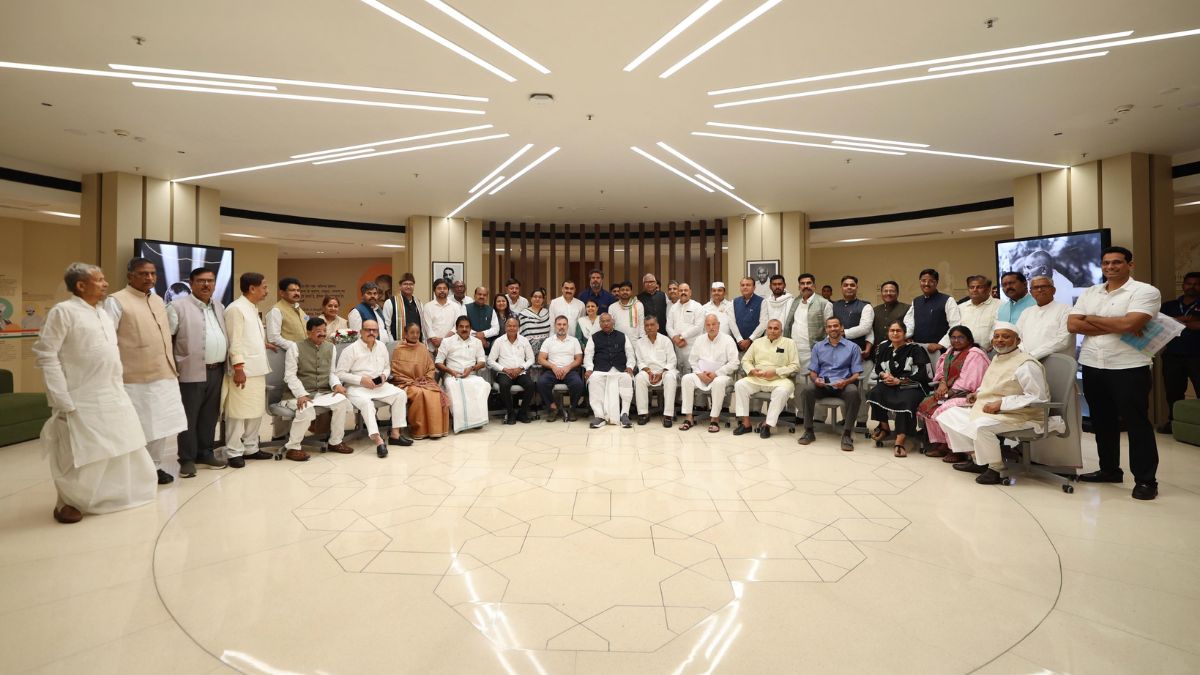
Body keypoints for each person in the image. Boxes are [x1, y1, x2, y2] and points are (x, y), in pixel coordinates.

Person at [34, 263, 157, 524]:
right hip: (80, 395)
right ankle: (67, 502)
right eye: (99, 280)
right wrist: (61, 398)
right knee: (82, 452)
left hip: (112, 393)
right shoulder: (63, 312)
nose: (105, 284)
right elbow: (47, 355)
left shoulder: (102, 313)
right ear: (81, 285)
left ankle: (112, 497)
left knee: (123, 445)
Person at [1069, 246, 1162, 500]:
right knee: (1102, 422)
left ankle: (1146, 480)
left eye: (1117, 262)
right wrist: (1118, 324)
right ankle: (1109, 470)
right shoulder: (1091, 292)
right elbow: (1073, 324)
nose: (1110, 267)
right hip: (1092, 364)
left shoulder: (1145, 291)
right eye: (1106, 263)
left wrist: (1092, 318)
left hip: (1128, 366)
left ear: (1130, 265)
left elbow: (1131, 323)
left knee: (1137, 424)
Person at [105, 257, 188, 484]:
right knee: (137, 426)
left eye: (152, 273)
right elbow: (107, 341)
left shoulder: (158, 300)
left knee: (161, 426)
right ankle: (135, 470)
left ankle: (155, 466)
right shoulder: (116, 301)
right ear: (130, 276)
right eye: (143, 274)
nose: (149, 278)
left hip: (164, 374)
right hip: (134, 378)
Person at [940, 324, 1056, 485]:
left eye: (1006, 336)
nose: (1000, 340)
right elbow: (993, 384)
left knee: (981, 426)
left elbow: (1037, 397)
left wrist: (1001, 404)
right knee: (948, 415)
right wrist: (978, 393)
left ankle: (996, 469)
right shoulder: (998, 357)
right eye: (996, 336)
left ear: (1018, 340)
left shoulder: (1026, 364)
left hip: (1023, 415)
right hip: (994, 410)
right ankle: (978, 459)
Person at [166, 267, 229, 477]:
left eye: (210, 281)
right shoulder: (177, 307)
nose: (206, 285)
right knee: (189, 417)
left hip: (216, 370)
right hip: (190, 371)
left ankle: (205, 452)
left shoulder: (219, 306)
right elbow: (167, 340)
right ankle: (186, 459)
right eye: (201, 281)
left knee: (209, 417)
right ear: (191, 284)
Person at [279, 317, 353, 461]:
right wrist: (301, 394)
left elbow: (331, 373)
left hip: (322, 392)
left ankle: (335, 442)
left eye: (324, 330)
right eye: (318, 331)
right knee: (306, 408)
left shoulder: (331, 347)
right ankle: (293, 448)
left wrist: (336, 385)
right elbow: (290, 375)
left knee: (341, 401)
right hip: (297, 394)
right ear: (308, 332)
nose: (323, 334)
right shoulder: (295, 347)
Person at [337, 319, 412, 457]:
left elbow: (387, 367)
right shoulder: (351, 349)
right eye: (368, 330)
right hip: (357, 387)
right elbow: (340, 373)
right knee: (367, 404)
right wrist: (361, 380)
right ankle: (378, 441)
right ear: (361, 332)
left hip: (379, 386)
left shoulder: (381, 346)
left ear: (378, 332)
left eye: (374, 330)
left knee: (400, 394)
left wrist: (384, 376)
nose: (371, 332)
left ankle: (395, 435)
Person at [918, 325, 991, 461]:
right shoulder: (950, 352)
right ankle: (943, 444)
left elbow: (970, 381)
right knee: (927, 404)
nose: (956, 341)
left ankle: (956, 450)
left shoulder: (975, 354)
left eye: (960, 337)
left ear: (969, 339)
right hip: (949, 391)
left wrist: (949, 392)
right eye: (953, 337)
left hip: (970, 395)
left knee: (944, 408)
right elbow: (941, 373)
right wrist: (942, 384)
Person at [222, 273, 273, 468]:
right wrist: (238, 368)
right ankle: (234, 451)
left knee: (255, 411)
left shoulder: (252, 307)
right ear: (252, 288)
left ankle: (251, 447)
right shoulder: (236, 309)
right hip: (243, 371)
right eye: (264, 287)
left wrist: (263, 344)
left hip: (258, 369)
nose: (267, 291)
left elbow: (248, 337)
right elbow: (234, 341)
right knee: (237, 413)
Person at [867, 320, 932, 457]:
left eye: (898, 331)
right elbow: (878, 368)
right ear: (888, 333)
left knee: (904, 401)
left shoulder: (916, 349)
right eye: (892, 330)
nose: (895, 333)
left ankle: (900, 439)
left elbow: (924, 373)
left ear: (905, 333)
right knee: (874, 393)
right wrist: (885, 375)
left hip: (912, 385)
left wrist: (900, 380)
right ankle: (884, 428)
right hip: (891, 383)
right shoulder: (884, 349)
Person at [797, 317, 863, 451]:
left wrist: (846, 381)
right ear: (826, 329)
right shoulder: (818, 347)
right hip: (824, 385)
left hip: (844, 384)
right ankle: (809, 430)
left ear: (841, 328)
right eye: (830, 326)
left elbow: (856, 373)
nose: (833, 328)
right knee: (807, 390)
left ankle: (847, 434)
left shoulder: (853, 347)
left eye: (836, 326)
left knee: (854, 392)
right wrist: (816, 380)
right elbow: (813, 372)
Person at [733, 319, 799, 438]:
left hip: (779, 380)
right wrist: (752, 370)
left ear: (781, 331)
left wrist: (776, 372)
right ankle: (746, 423)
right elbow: (746, 360)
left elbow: (795, 366)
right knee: (739, 385)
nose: (772, 331)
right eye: (770, 328)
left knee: (782, 391)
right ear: (766, 329)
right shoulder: (757, 342)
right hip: (757, 378)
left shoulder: (789, 343)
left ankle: (767, 425)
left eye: (776, 328)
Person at [679, 313, 739, 433]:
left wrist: (717, 373)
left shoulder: (728, 340)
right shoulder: (700, 340)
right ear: (705, 326)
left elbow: (735, 362)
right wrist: (699, 374)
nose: (711, 327)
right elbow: (692, 360)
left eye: (713, 324)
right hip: (702, 375)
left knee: (718, 382)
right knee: (686, 378)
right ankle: (688, 418)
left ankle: (715, 419)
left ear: (719, 325)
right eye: (708, 325)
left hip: (722, 376)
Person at [390, 322, 449, 440]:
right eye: (412, 332)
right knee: (418, 393)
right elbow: (396, 372)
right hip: (405, 383)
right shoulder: (399, 349)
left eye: (417, 333)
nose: (415, 335)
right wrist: (413, 382)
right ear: (406, 334)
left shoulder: (422, 348)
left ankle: (435, 430)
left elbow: (431, 368)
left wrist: (425, 378)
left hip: (424, 382)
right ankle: (419, 430)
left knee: (436, 393)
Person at [1160, 271, 1200, 434]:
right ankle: (1174, 423)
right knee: (1173, 392)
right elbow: (1160, 325)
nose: (1192, 287)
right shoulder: (1169, 306)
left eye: (1197, 284)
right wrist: (1185, 321)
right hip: (1173, 355)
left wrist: (1176, 322)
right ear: (1183, 286)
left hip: (1197, 355)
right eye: (1189, 283)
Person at [436, 316, 491, 433]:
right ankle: (459, 422)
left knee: (484, 385)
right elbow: (438, 362)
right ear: (456, 328)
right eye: (461, 326)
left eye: (467, 327)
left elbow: (482, 362)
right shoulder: (447, 341)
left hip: (471, 374)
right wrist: (451, 371)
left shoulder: (477, 342)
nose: (464, 329)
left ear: (471, 328)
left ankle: (476, 420)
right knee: (453, 387)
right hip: (452, 375)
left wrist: (471, 368)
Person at [584, 313, 636, 428]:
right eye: (603, 321)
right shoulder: (594, 337)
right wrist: (589, 369)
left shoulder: (622, 336)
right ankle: (599, 416)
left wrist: (630, 367)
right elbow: (588, 355)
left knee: (627, 378)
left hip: (620, 369)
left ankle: (624, 414)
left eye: (608, 321)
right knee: (593, 379)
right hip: (601, 369)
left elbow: (630, 354)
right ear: (600, 324)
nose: (606, 323)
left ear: (613, 322)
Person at [488, 316, 536, 424]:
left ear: (518, 328)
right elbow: (490, 360)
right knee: (504, 385)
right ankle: (511, 413)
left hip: (520, 372)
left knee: (530, 385)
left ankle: (522, 413)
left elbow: (531, 359)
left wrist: (521, 368)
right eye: (509, 326)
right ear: (505, 327)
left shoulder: (524, 340)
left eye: (514, 326)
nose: (512, 328)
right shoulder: (499, 341)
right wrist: (504, 369)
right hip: (504, 373)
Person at [783, 273, 833, 373]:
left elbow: (830, 330)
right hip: (795, 349)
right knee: (795, 378)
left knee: (812, 379)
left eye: (808, 283)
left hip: (813, 350)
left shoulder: (824, 303)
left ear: (814, 286)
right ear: (799, 287)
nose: (805, 286)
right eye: (802, 283)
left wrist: (825, 350)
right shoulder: (795, 301)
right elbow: (789, 324)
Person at [538, 315, 585, 422]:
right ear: (555, 326)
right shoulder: (548, 341)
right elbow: (541, 359)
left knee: (578, 384)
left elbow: (579, 359)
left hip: (569, 370)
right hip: (552, 370)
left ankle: (572, 409)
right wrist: (553, 367)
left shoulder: (574, 341)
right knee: (541, 383)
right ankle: (553, 408)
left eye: (564, 324)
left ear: (567, 326)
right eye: (559, 324)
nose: (562, 327)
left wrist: (568, 367)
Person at [634, 315, 678, 427]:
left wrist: (661, 373)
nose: (649, 327)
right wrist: (648, 372)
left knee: (670, 378)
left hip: (664, 371)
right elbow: (640, 362)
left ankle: (668, 415)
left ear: (657, 326)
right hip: (647, 371)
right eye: (647, 325)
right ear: (644, 328)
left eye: (652, 325)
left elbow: (672, 361)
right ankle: (643, 413)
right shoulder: (640, 343)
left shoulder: (665, 340)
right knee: (639, 378)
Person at [903, 268, 960, 354]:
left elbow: (955, 326)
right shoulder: (916, 301)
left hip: (939, 350)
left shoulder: (948, 300)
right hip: (917, 349)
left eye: (931, 281)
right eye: (923, 281)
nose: (926, 284)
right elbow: (910, 323)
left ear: (936, 282)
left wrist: (941, 344)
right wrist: (906, 337)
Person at [1016, 275, 1074, 359]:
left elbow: (1063, 340)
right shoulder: (1026, 312)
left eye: (1044, 286)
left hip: (1055, 361)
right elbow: (1017, 336)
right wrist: (1024, 353)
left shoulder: (1067, 310)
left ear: (1053, 290)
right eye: (1035, 288)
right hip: (1026, 360)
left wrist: (1032, 355)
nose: (1039, 290)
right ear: (1031, 292)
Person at [946, 275, 999, 352]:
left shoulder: (1000, 305)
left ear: (988, 289)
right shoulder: (960, 308)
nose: (975, 290)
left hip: (990, 352)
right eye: (971, 287)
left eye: (979, 287)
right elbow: (954, 329)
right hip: (964, 353)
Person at [831, 275, 875, 360]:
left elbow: (866, 328)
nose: (849, 287)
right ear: (841, 288)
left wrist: (843, 333)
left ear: (857, 287)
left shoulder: (866, 306)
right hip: (836, 350)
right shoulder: (833, 306)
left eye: (852, 285)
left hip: (858, 352)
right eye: (845, 285)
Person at [667, 282, 706, 374]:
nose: (683, 292)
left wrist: (682, 336)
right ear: (678, 292)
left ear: (690, 292)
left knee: (692, 373)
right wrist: (675, 338)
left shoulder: (697, 306)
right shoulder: (673, 308)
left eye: (686, 290)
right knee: (679, 372)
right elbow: (668, 326)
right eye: (681, 290)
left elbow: (699, 327)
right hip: (677, 346)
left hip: (692, 346)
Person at [265, 276, 306, 352]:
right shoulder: (276, 310)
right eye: (292, 290)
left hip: (302, 354)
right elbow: (273, 338)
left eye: (298, 290)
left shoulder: (300, 310)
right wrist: (295, 347)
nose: (296, 293)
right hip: (286, 354)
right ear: (282, 293)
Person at [422, 278, 463, 353]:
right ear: (434, 290)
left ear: (448, 290)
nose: (442, 290)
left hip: (451, 347)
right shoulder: (428, 306)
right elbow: (428, 327)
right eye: (439, 288)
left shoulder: (455, 306)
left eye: (444, 288)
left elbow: (456, 326)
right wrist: (436, 342)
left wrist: (443, 341)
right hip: (432, 348)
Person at [730, 277, 767, 353]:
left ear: (754, 287)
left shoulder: (762, 301)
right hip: (738, 345)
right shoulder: (734, 302)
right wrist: (739, 340)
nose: (745, 287)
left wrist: (750, 339)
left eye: (748, 285)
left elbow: (763, 323)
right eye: (742, 285)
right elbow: (731, 322)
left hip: (756, 344)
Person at [382, 272, 422, 342]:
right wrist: (392, 344)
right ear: (400, 286)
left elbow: (422, 326)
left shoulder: (419, 304)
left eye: (411, 284)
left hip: (416, 344)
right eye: (405, 284)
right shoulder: (390, 303)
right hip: (398, 344)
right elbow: (387, 327)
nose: (408, 286)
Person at [872, 281, 909, 349]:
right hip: (878, 350)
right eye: (885, 291)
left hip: (900, 349)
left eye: (892, 291)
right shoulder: (874, 310)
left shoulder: (907, 308)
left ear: (897, 293)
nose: (888, 293)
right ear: (881, 293)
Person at [465, 285, 500, 351]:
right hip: (468, 343)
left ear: (487, 297)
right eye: (479, 294)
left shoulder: (491, 310)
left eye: (484, 295)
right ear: (474, 295)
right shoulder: (465, 308)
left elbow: (496, 329)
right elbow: (463, 327)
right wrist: (478, 337)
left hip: (486, 345)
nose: (482, 296)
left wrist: (483, 334)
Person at [518, 287, 551, 352]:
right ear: (531, 298)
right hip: (529, 348)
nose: (537, 299)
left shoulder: (548, 313)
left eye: (540, 297)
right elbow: (520, 333)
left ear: (543, 299)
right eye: (535, 297)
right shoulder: (523, 314)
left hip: (546, 348)